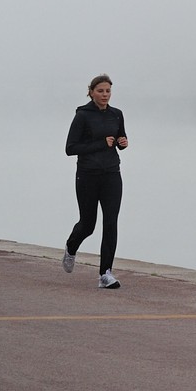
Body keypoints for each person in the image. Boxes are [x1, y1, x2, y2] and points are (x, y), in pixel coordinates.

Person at [62, 74, 129, 289]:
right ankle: (71, 247)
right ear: (91, 92)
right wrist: (101, 143)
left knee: (111, 222)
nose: (105, 95)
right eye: (100, 91)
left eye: (108, 91)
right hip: (88, 175)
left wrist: (123, 143)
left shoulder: (116, 115)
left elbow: (119, 140)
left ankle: (105, 274)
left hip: (111, 174)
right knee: (88, 225)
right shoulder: (83, 116)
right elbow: (70, 149)